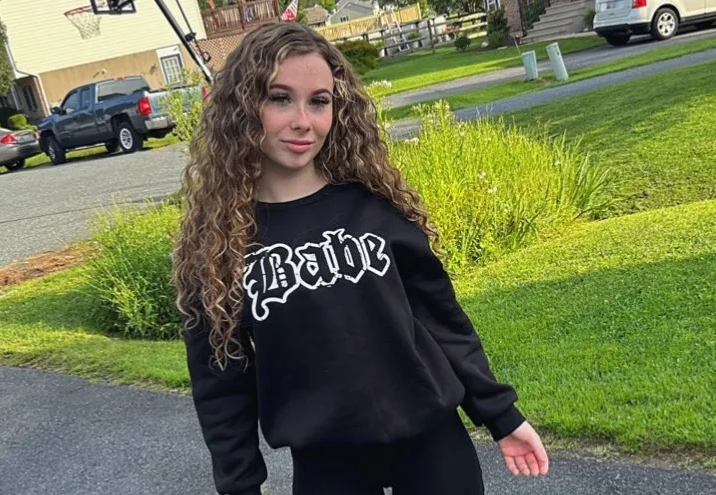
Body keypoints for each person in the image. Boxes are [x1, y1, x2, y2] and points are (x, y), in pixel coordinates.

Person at [173, 22, 549, 495]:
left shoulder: (374, 210)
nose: (303, 121)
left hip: (433, 446)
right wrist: (240, 485)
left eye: (319, 101)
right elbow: (220, 381)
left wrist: (500, 414)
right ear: (242, 107)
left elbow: (441, 320)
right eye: (279, 98)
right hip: (328, 466)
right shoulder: (219, 246)